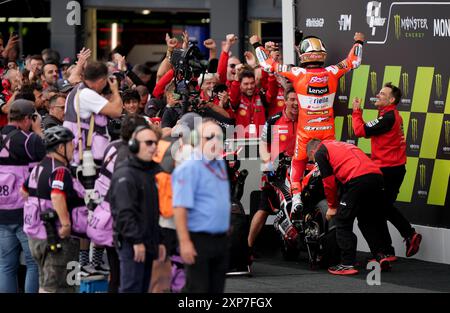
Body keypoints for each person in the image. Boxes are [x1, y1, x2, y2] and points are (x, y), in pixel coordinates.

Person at [251, 32, 364, 213]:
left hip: (306, 134)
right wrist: (359, 41)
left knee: (297, 163)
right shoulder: (332, 72)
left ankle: (296, 198)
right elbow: (354, 61)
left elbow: (267, 65)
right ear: (322, 53)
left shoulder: (298, 73)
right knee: (329, 168)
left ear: (303, 55)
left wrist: (257, 45)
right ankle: (333, 204)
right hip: (327, 133)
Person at [352, 83, 422, 259]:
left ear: (391, 100)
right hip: (391, 169)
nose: (378, 94)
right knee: (379, 209)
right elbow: (369, 133)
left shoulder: (389, 117)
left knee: (381, 207)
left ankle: (408, 233)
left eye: (382, 93)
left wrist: (356, 112)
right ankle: (388, 250)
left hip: (388, 171)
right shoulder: (388, 116)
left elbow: (359, 131)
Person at [306, 139, 392, 275]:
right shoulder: (341, 144)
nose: (315, 162)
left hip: (358, 179)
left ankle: (347, 263)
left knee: (342, 221)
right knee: (366, 221)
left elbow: (329, 183)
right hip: (376, 177)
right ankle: (380, 256)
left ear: (312, 152)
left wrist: (332, 206)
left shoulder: (320, 152)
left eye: (312, 160)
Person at [87, 114, 148, 292]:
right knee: (123, 275)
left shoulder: (112, 146)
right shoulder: (128, 153)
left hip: (105, 211)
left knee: (116, 273)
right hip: (119, 217)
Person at [23, 126, 87, 293]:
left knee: (47, 283)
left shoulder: (38, 167)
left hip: (36, 235)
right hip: (56, 237)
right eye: (71, 144)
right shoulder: (59, 170)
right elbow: (57, 194)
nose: (73, 147)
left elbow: (23, 191)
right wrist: (65, 224)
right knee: (57, 286)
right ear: (60, 148)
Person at [172, 118, 231, 293]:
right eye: (209, 137)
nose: (215, 142)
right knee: (198, 290)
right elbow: (180, 207)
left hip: (220, 239)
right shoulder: (189, 168)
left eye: (219, 138)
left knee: (216, 289)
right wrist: (184, 242)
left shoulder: (220, 164)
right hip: (199, 239)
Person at [109, 124, 162, 293]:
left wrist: (159, 241)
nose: (153, 147)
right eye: (148, 143)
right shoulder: (125, 173)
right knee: (131, 288)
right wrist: (136, 241)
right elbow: (124, 213)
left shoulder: (153, 171)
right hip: (132, 244)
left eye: (155, 142)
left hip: (149, 241)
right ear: (134, 145)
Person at [0, 99, 45, 293]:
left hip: (2, 211)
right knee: (34, 263)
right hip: (25, 212)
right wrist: (37, 130)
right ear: (28, 118)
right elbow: (49, 155)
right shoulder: (27, 139)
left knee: (6, 266)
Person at [247, 87, 298, 258]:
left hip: (298, 173)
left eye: (297, 99)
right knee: (263, 210)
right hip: (276, 174)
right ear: (285, 100)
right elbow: (262, 145)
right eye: (291, 99)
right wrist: (267, 163)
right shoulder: (274, 120)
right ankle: (247, 247)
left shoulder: (306, 120)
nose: (295, 103)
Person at [229, 69, 277, 138]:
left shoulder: (261, 96)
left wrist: (271, 76)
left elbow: (272, 94)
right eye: (246, 84)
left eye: (252, 83)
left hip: (260, 141)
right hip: (241, 142)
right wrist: (236, 80)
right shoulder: (237, 99)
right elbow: (233, 98)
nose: (250, 87)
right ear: (240, 85)